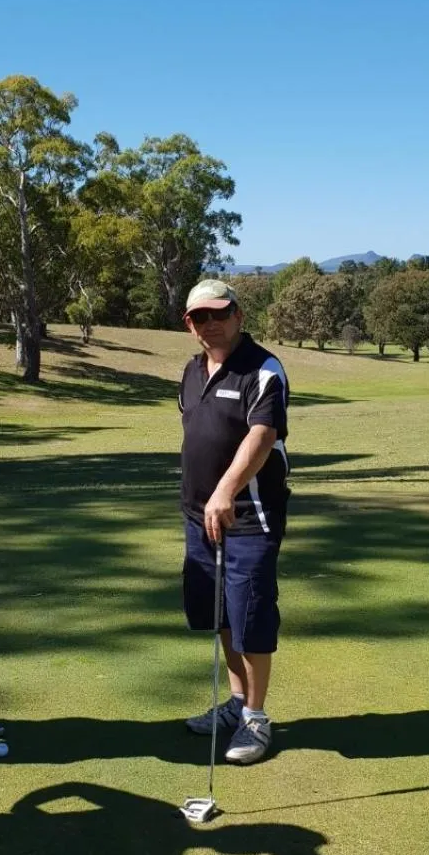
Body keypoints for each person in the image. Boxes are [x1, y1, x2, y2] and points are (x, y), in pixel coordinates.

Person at [178, 278, 290, 764]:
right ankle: (239, 703)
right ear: (189, 324)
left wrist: (225, 491)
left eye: (219, 313)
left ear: (239, 315)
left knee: (250, 619)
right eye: (200, 317)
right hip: (199, 517)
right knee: (219, 616)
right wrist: (205, 499)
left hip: (249, 517)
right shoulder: (190, 370)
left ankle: (257, 718)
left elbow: (261, 437)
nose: (211, 324)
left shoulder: (264, 370)